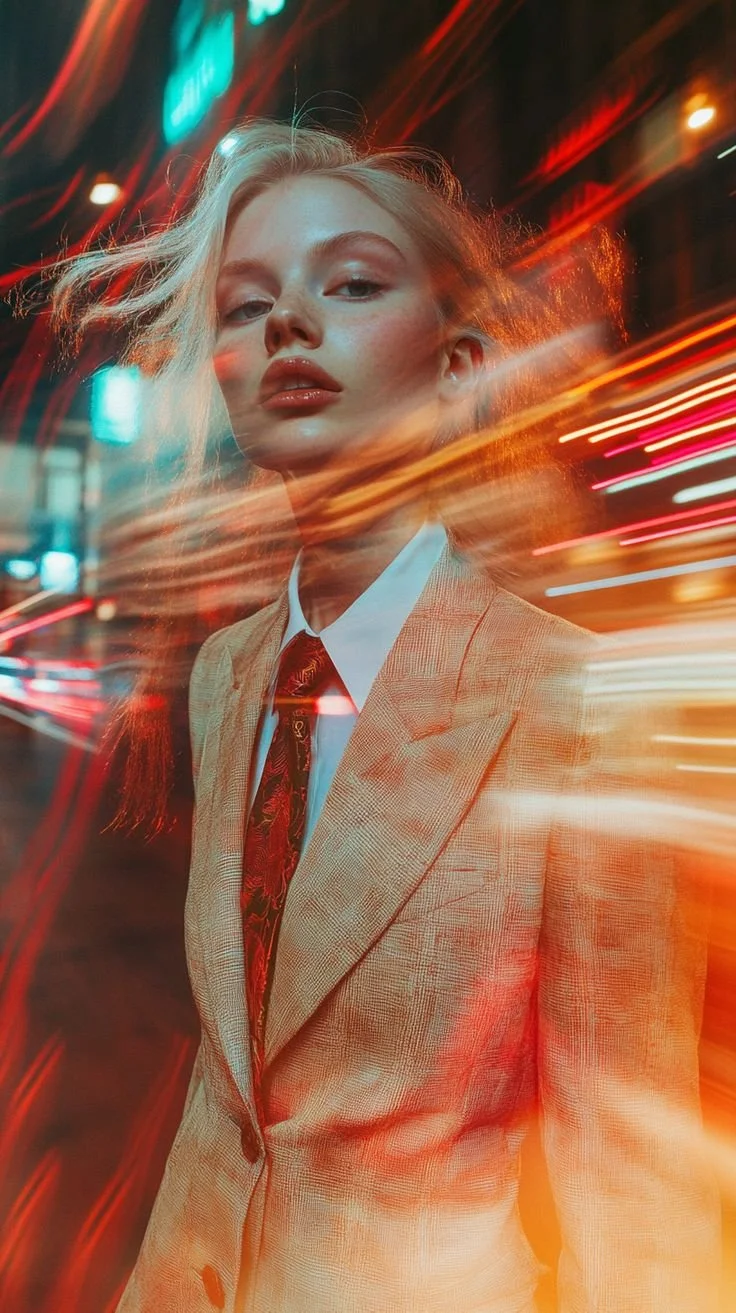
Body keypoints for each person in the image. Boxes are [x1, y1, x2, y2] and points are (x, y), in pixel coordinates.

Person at [53, 120, 719, 1313]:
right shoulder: (226, 672)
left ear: (459, 364)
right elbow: (232, 1093)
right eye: (245, 304)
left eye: (350, 283)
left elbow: (630, 1178)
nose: (284, 326)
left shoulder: (566, 702)